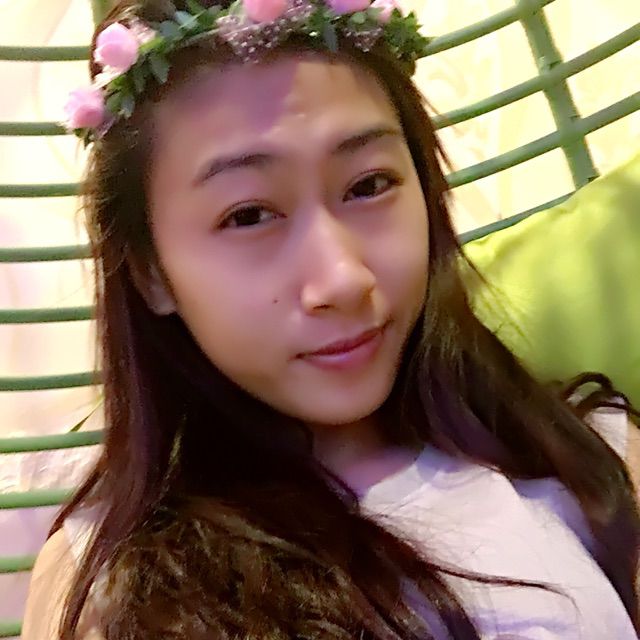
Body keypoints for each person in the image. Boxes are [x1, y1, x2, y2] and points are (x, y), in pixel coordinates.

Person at [21, 0, 640, 638]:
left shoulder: (593, 461)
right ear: (151, 272)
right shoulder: (103, 581)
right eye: (248, 215)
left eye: (369, 185)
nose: (343, 279)